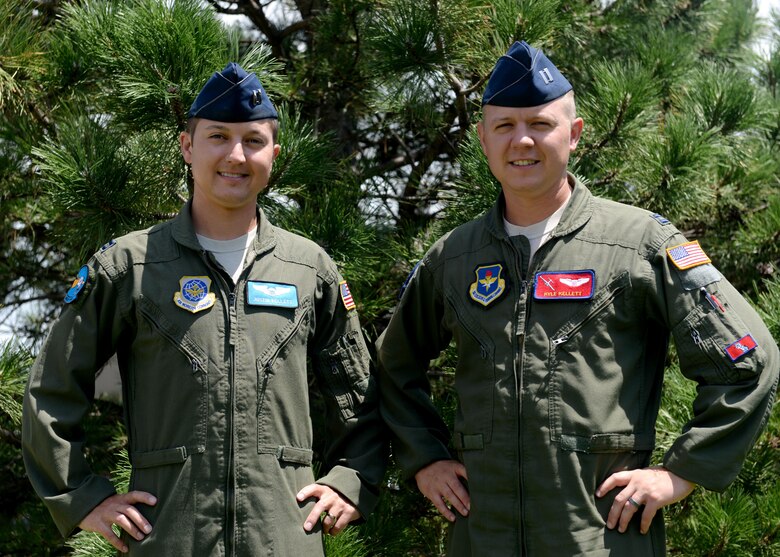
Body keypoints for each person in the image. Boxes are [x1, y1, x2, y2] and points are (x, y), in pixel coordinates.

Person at [377, 41, 780, 556]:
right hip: (482, 538)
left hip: (599, 537)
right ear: (482, 138)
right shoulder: (452, 257)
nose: (522, 140)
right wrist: (424, 458)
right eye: (504, 126)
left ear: (575, 133)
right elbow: (393, 366)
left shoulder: (639, 243)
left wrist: (680, 474)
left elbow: (748, 358)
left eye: (541, 124)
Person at [22, 62, 386, 556]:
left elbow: (362, 397)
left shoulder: (309, 269)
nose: (236, 155)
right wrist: (83, 498)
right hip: (170, 536)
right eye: (218, 136)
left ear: (273, 156)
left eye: (253, 141)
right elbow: (52, 387)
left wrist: (352, 480)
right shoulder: (129, 265)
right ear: (187, 147)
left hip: (283, 538)